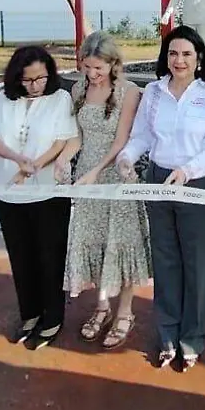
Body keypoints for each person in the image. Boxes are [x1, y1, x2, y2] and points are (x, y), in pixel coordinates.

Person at [117, 25, 205, 370]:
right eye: (173, 53)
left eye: (186, 54)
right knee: (165, 263)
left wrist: (188, 171)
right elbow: (142, 137)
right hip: (158, 182)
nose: (178, 60)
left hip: (198, 184)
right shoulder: (152, 92)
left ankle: (192, 338)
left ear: (199, 59)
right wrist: (126, 158)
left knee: (196, 265)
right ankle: (167, 334)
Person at [59, 31, 152, 351]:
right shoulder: (78, 89)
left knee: (121, 245)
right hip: (87, 176)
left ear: (114, 64)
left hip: (116, 176)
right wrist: (64, 161)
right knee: (95, 243)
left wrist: (96, 173)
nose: (92, 75)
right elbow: (76, 136)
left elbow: (121, 140)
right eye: (87, 68)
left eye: (99, 68)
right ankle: (101, 307)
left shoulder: (129, 92)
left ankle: (125, 313)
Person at [0, 46, 79, 350]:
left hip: (47, 190)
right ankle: (29, 313)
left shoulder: (60, 98)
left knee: (49, 256)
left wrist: (35, 165)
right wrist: (17, 159)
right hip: (7, 188)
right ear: (16, 78)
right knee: (20, 255)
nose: (36, 85)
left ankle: (52, 318)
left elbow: (62, 140)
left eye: (41, 78)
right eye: (28, 81)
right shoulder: (5, 98)